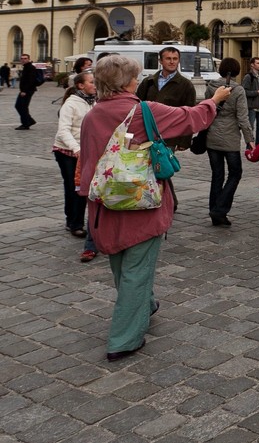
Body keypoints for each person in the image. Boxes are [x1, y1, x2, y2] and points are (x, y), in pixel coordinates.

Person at [76, 54, 230, 361]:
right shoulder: (143, 110)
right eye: (134, 76)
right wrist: (215, 99)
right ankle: (124, 339)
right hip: (141, 202)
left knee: (121, 264)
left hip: (105, 204)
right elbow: (191, 118)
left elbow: (88, 160)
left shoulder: (92, 115)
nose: (137, 80)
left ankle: (144, 304)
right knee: (136, 269)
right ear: (126, 81)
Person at [204, 57, 255, 227]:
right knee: (235, 173)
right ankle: (220, 210)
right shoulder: (238, 90)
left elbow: (206, 110)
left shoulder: (210, 87)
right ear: (237, 71)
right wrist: (250, 140)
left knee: (217, 175)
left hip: (212, 136)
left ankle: (215, 210)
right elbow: (242, 118)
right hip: (230, 138)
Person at [53, 70, 97, 241]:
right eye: (92, 82)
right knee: (74, 187)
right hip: (66, 151)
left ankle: (75, 220)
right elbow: (63, 130)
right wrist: (76, 148)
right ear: (81, 85)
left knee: (82, 187)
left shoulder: (93, 102)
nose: (95, 85)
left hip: (85, 151)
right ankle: (74, 223)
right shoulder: (70, 104)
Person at [136, 47, 196, 150]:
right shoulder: (148, 82)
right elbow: (137, 108)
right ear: (161, 61)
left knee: (163, 165)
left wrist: (184, 141)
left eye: (175, 59)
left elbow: (189, 115)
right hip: (146, 135)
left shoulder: (186, 85)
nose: (172, 62)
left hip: (169, 137)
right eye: (168, 58)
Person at [242, 57, 259, 145]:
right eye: (258, 63)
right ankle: (250, 147)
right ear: (252, 65)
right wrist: (257, 92)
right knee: (250, 128)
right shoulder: (248, 77)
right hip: (251, 107)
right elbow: (243, 92)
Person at [15, 53, 38, 129]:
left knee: (22, 106)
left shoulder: (31, 67)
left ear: (28, 59)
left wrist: (24, 91)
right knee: (20, 106)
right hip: (25, 90)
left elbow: (31, 80)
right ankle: (29, 121)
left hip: (27, 90)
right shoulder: (26, 67)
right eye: (22, 58)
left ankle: (26, 124)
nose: (23, 60)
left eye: (25, 58)